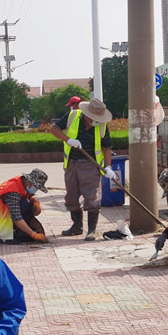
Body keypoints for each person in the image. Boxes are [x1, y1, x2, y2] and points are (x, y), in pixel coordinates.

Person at [49, 97, 118, 241]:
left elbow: (107, 147)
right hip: (71, 163)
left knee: (92, 198)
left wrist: (108, 167)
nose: (96, 121)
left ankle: (91, 230)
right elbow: (53, 129)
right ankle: (77, 227)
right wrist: (68, 140)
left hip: (91, 165)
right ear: (86, 114)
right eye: (93, 118)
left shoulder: (102, 126)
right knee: (71, 197)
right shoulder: (72, 116)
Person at [0, 168, 50, 244]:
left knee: (27, 204)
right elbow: (16, 218)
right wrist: (33, 234)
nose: (35, 189)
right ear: (29, 181)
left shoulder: (22, 182)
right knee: (24, 204)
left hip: (2, 215)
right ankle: (6, 235)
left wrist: (35, 200)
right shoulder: (13, 193)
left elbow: (29, 195)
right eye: (35, 187)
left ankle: (17, 230)